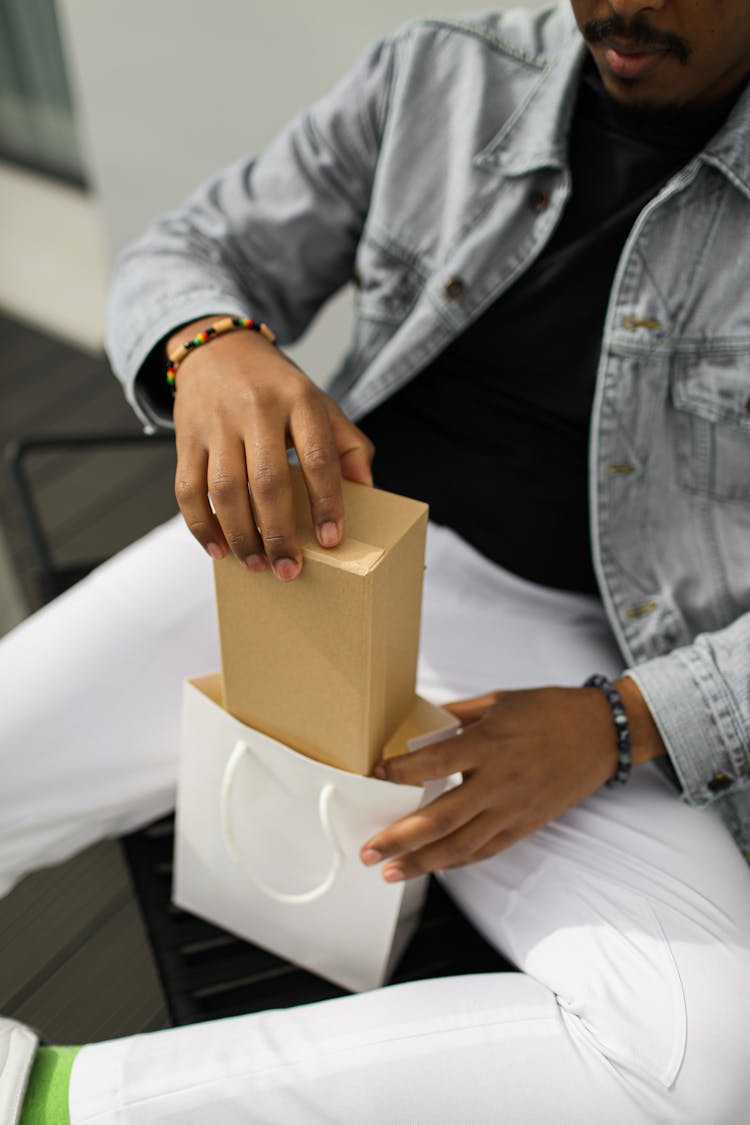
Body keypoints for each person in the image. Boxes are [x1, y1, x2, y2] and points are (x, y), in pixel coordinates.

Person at [2, 0, 750, 1121]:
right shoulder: (446, 74)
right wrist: (209, 346)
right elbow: (190, 249)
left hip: (596, 667)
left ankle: (61, 1102)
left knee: (710, 1049)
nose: (618, 7)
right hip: (309, 559)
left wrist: (619, 723)